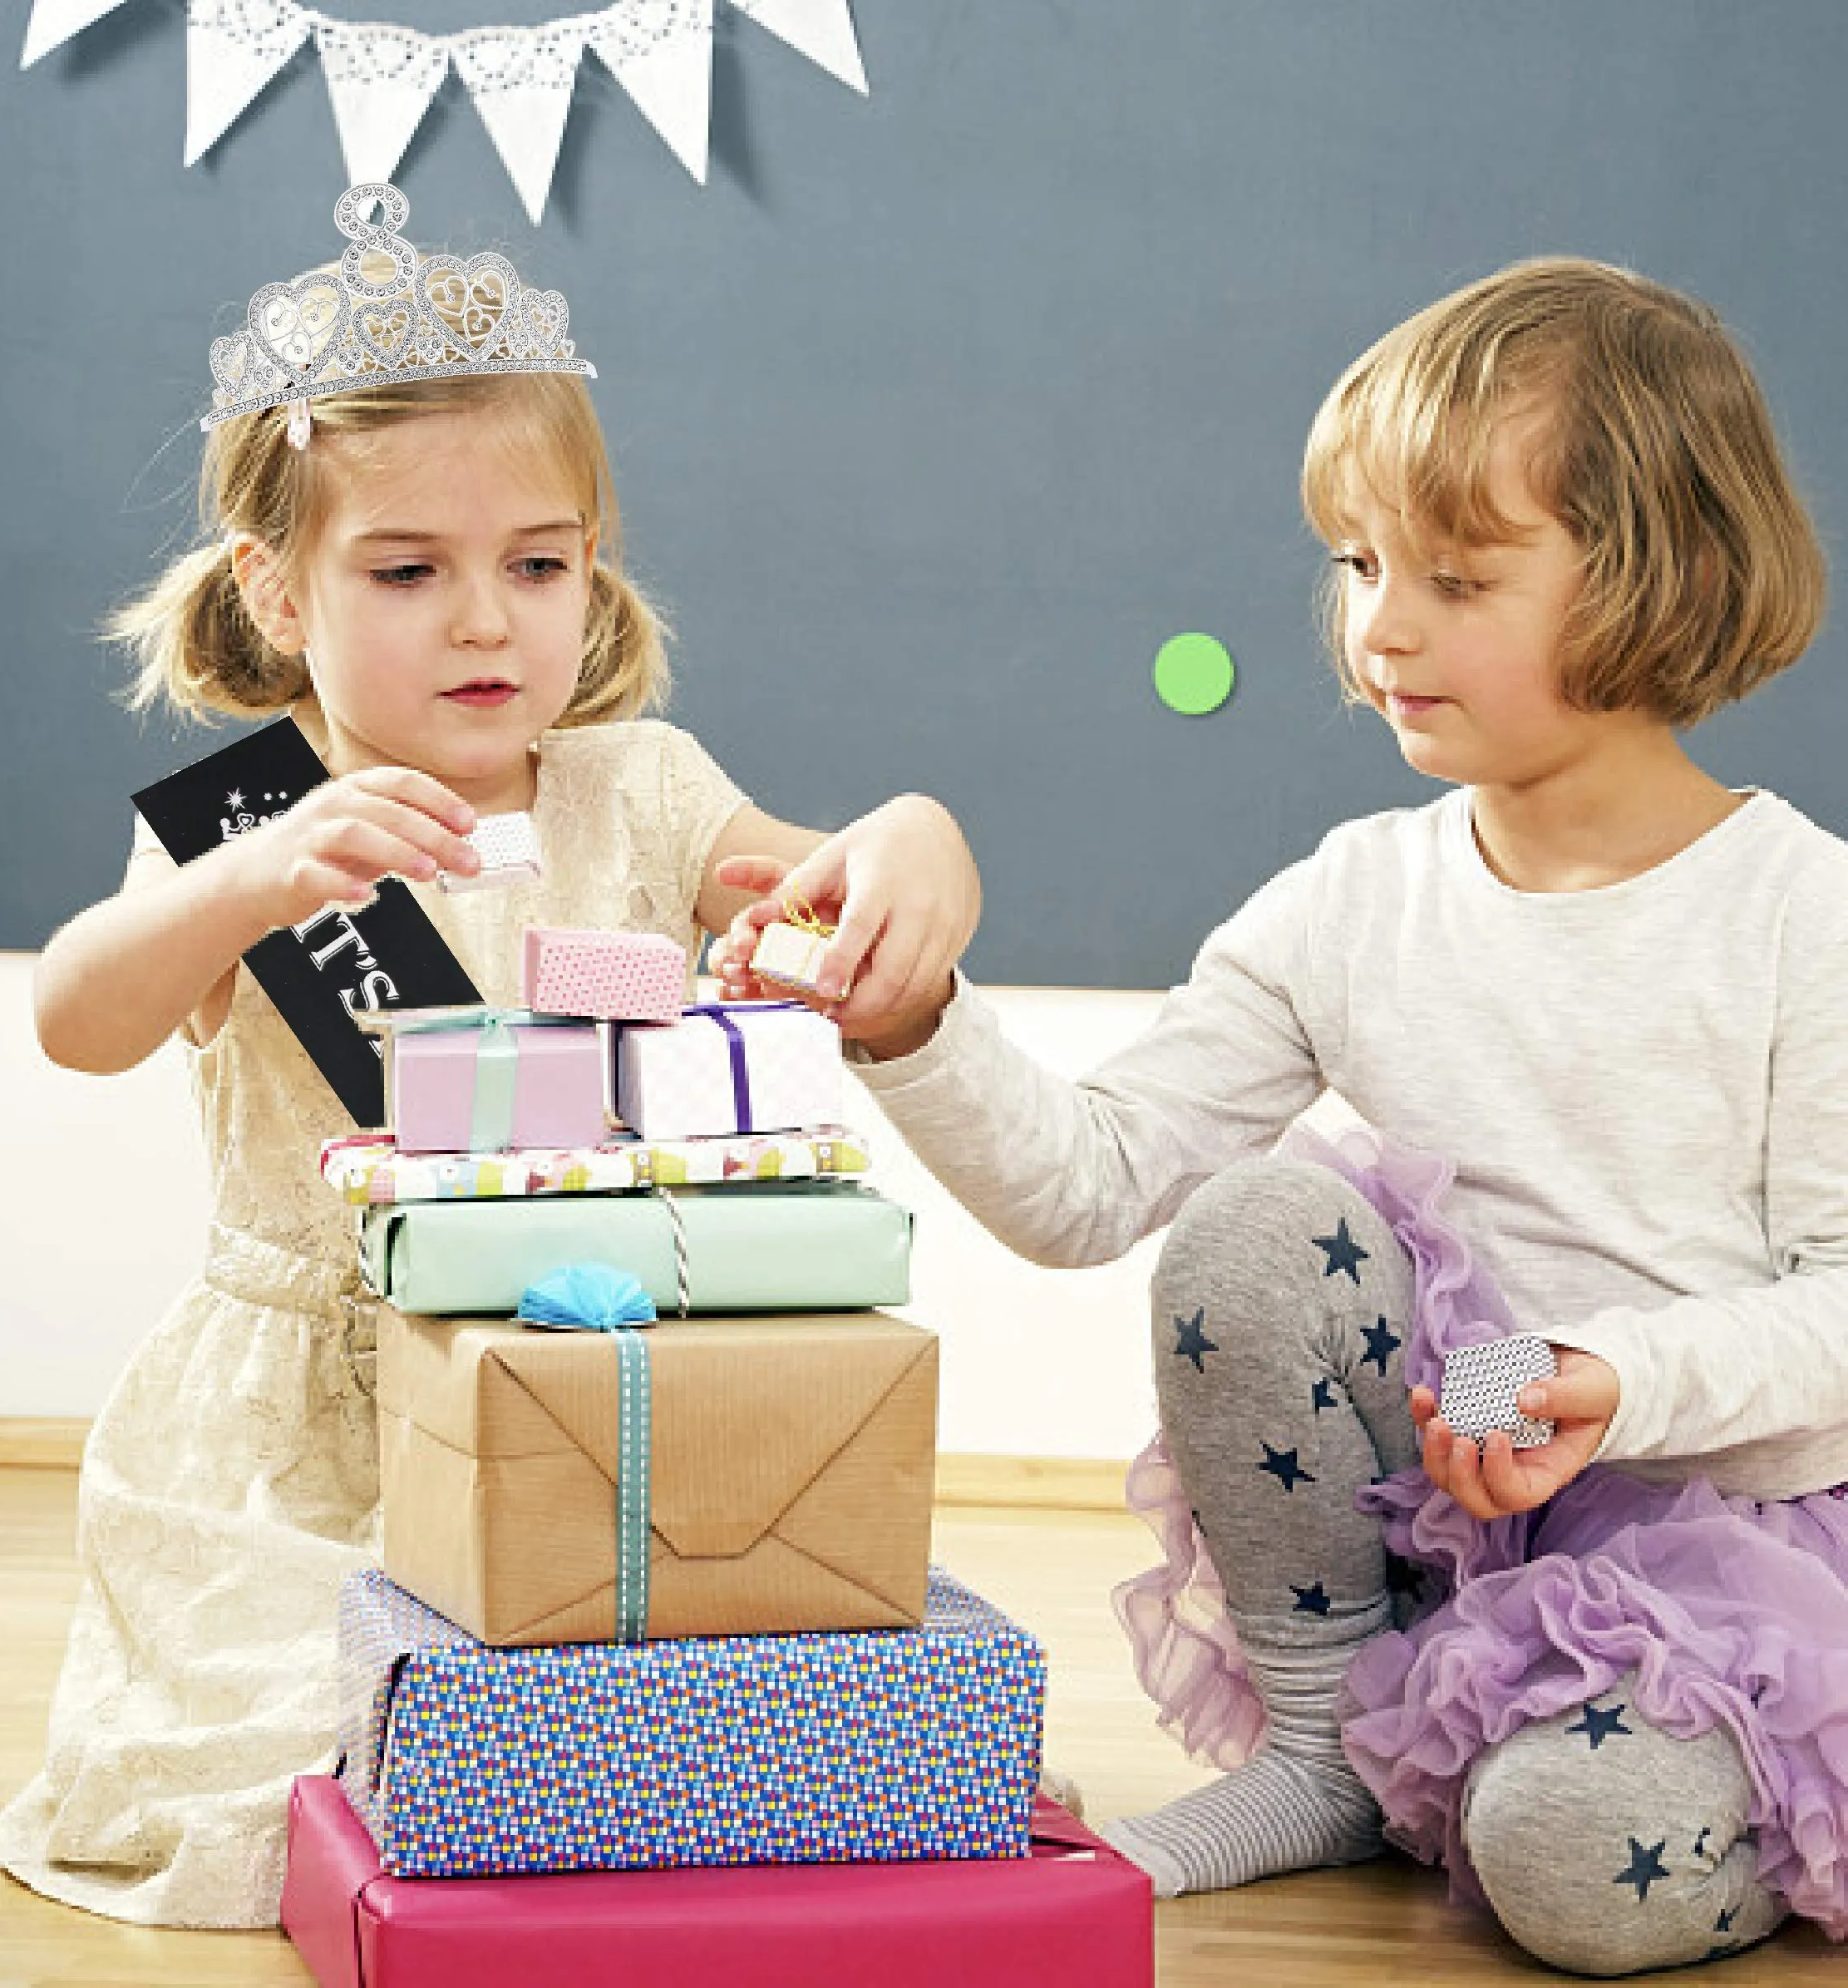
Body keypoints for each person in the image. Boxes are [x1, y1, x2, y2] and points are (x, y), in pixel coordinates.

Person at [717, 258, 1848, 1975]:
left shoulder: (1800, 915)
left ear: (1657, 575)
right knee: (1253, 1223)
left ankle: (1563, 1785)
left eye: (1455, 578)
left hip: (1734, 1542)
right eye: (1358, 565)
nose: (1378, 628)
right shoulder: (1349, 901)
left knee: (1562, 1854)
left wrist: (1616, 1384)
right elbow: (1088, 1191)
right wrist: (912, 1017)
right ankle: (1334, 1750)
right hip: (1468, 1492)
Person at [0, 183, 963, 1929]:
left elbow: (830, 886)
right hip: (313, 1436)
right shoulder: (253, 821)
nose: (489, 621)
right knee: (303, 1771)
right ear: (275, 591)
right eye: (408, 571)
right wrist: (251, 883)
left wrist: (915, 837)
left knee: (689, 1745)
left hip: (596, 1398)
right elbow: (76, 1017)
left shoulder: (644, 787)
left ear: (594, 564)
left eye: (537, 563)